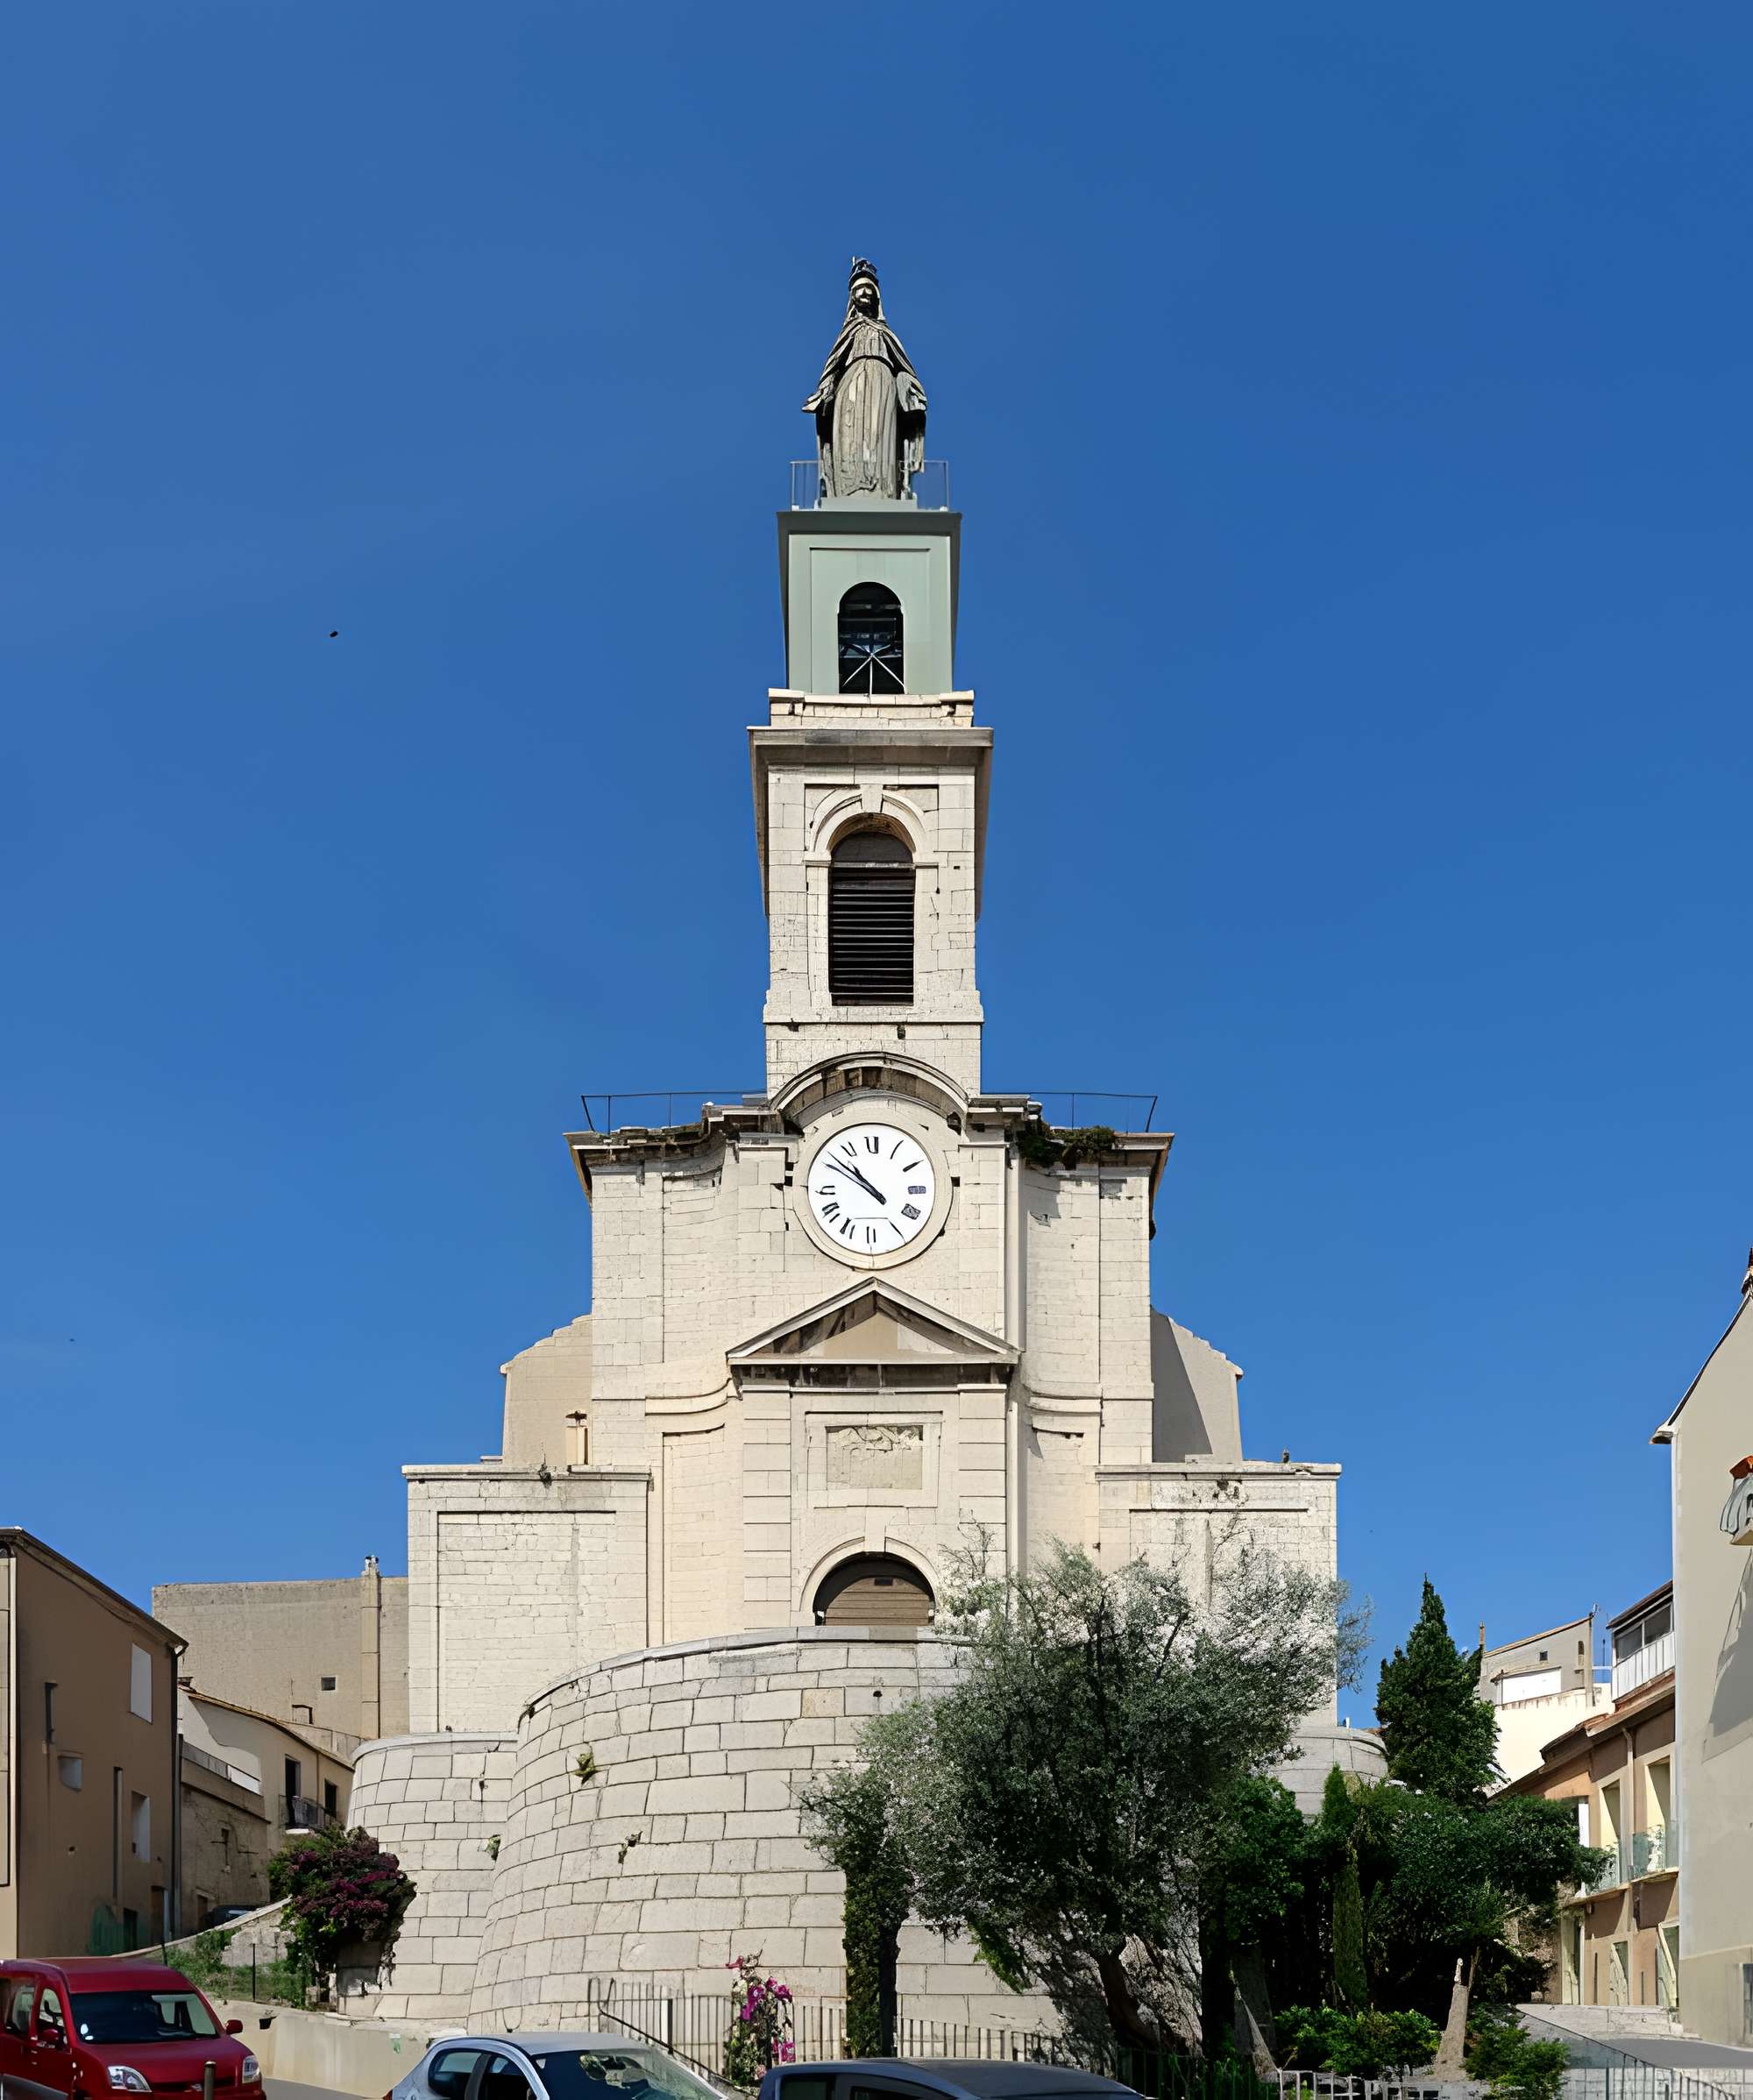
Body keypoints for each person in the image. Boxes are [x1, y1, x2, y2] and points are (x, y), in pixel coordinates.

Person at [802, 259, 926, 500]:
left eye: (869, 292)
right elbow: (833, 366)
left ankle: (884, 489)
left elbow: (906, 369)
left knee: (880, 433)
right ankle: (849, 487)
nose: (865, 296)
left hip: (882, 381)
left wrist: (907, 384)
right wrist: (826, 389)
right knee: (851, 433)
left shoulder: (884, 333)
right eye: (859, 292)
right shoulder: (850, 332)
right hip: (851, 381)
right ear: (853, 299)